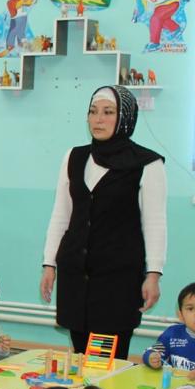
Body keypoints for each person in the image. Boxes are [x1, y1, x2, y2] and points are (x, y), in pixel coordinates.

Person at [40, 85, 167, 360]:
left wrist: (153, 274)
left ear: (125, 118)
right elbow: (61, 214)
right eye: (93, 111)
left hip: (117, 279)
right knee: (80, 357)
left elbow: (155, 224)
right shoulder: (74, 157)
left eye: (108, 112)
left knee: (104, 362)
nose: (98, 119)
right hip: (75, 275)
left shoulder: (147, 163)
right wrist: (49, 264)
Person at [143, 281, 195, 375]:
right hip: (173, 383)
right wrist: (151, 357)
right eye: (190, 308)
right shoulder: (172, 333)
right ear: (180, 315)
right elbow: (151, 352)